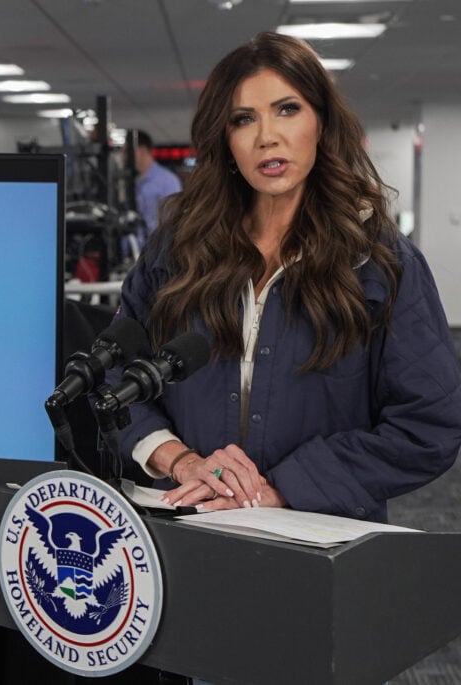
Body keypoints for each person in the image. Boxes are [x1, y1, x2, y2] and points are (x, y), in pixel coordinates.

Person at [113, 31, 461, 522]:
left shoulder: (381, 263)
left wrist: (283, 488)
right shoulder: (175, 253)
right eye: (243, 119)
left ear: (322, 122)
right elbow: (114, 376)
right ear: (225, 140)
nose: (267, 136)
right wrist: (181, 461)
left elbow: (427, 426)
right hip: (184, 528)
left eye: (287, 110)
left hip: (318, 539)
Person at [132, 129, 182, 238]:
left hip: (157, 246)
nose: (123, 156)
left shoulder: (167, 181)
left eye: (126, 151)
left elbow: (174, 221)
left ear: (141, 151)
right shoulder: (134, 182)